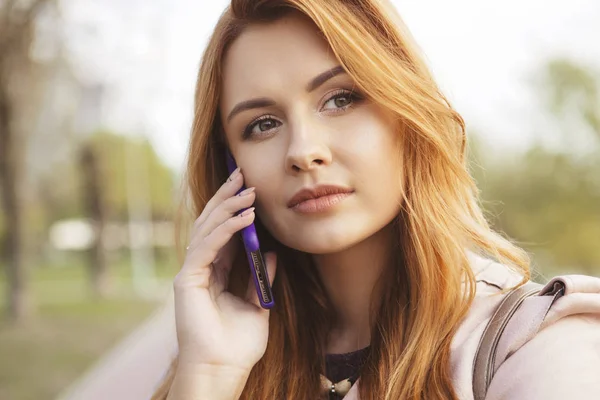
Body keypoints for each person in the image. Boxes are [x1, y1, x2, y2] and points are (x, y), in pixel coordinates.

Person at [152, 1, 600, 399]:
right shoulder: (220, 356)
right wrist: (208, 375)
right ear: (231, 168)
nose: (304, 151)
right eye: (263, 124)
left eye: (341, 99)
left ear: (407, 113)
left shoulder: (537, 346)